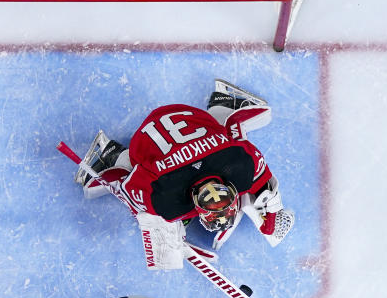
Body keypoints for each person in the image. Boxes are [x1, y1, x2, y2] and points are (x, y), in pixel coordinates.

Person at [74, 79, 294, 269]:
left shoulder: (241, 165)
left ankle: (225, 105)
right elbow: (128, 186)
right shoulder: (162, 201)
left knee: (225, 141)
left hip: (188, 119)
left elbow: (266, 187)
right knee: (135, 172)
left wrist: (270, 224)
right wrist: (164, 226)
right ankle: (110, 155)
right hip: (148, 138)